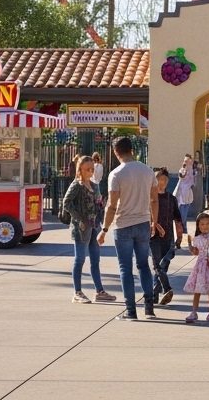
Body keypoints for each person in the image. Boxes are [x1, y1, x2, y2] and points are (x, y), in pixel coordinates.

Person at [97, 136, 159, 321]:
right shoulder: (148, 171)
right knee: (143, 265)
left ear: (116, 152)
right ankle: (149, 308)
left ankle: (130, 311)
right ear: (132, 149)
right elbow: (154, 200)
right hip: (143, 223)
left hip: (123, 224)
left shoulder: (116, 174)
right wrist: (154, 221)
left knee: (125, 267)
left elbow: (112, 205)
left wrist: (104, 229)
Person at [64, 155, 113, 304]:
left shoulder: (94, 185)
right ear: (80, 169)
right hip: (81, 227)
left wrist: (101, 210)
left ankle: (99, 291)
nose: (90, 171)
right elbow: (66, 202)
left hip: (94, 226)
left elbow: (98, 204)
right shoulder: (76, 185)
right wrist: (79, 218)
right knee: (79, 259)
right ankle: (77, 292)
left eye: (92, 168)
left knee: (95, 259)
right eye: (87, 169)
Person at [151, 167, 186, 306]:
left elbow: (178, 219)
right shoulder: (150, 197)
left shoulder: (171, 199)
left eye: (165, 179)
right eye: (159, 179)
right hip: (153, 237)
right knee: (157, 265)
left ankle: (154, 294)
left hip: (168, 237)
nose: (162, 182)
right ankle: (167, 288)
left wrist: (179, 237)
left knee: (163, 266)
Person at [183, 212, 209, 323]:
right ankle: (194, 312)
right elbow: (196, 252)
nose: (205, 226)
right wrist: (190, 245)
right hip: (200, 266)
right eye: (202, 224)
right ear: (198, 226)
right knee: (197, 290)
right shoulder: (197, 239)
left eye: (207, 223)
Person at [174, 154, 197, 228]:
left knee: (185, 213)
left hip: (188, 195)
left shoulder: (193, 172)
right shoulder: (182, 170)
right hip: (181, 195)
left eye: (187, 161)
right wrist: (185, 170)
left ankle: (184, 228)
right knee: (181, 214)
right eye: (184, 161)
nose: (185, 163)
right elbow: (181, 175)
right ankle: (182, 227)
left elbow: (194, 182)